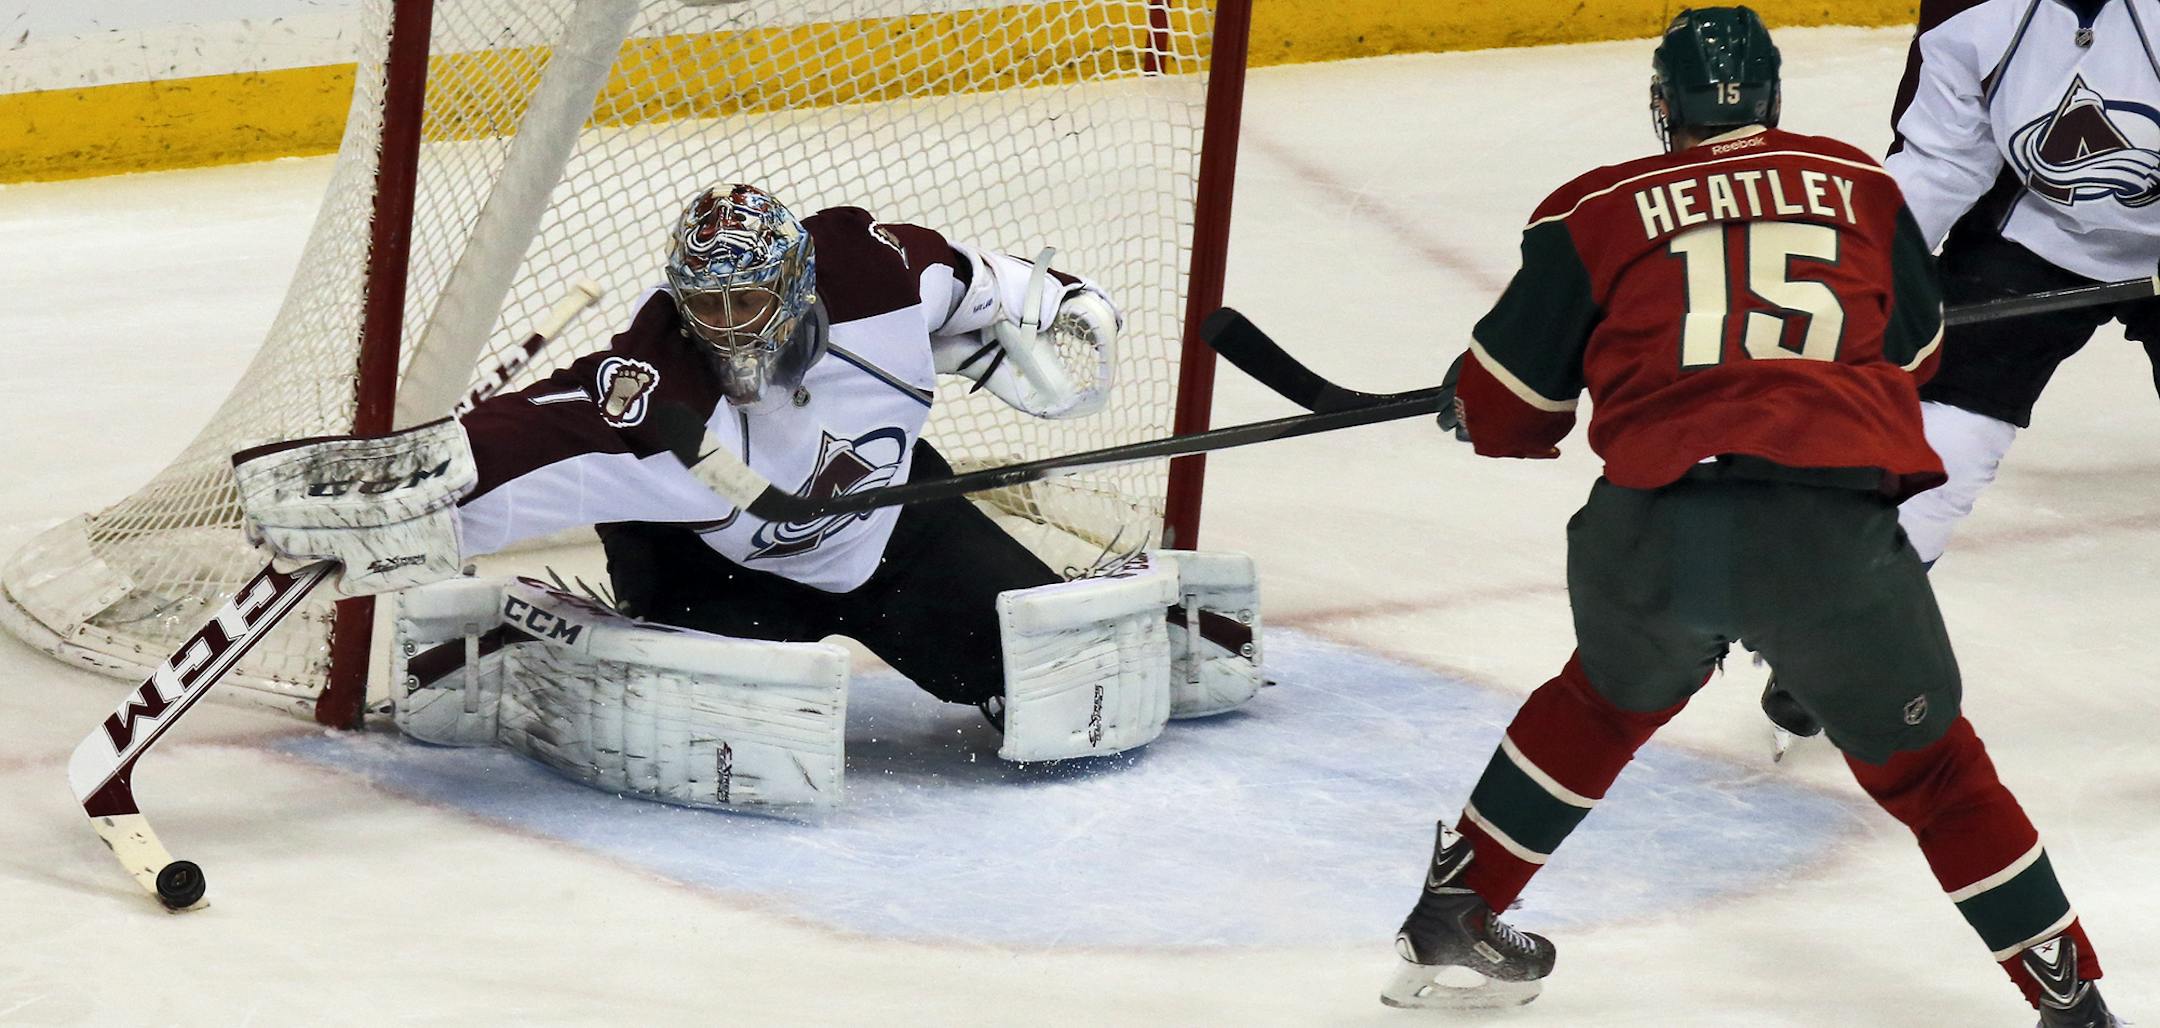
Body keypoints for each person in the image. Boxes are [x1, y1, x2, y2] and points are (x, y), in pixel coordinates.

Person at [1381, 10, 2117, 1026]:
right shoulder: (1862, 188)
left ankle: (1454, 911)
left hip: (1651, 534)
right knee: (1935, 768)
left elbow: (1517, 412)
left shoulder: (1589, 211)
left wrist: (1474, 401)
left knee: (1599, 702)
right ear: (1773, 101)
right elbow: (1912, 359)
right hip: (1827, 541)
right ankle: (2068, 998)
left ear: (1660, 107)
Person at [235, 184, 1263, 805]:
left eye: (749, 300)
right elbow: (491, 456)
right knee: (742, 737)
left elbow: (1006, 288)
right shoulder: (649, 396)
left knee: (1051, 696)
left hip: (894, 530)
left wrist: (1065, 325)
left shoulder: (879, 272)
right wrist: (383, 504)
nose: (727, 327)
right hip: (714, 572)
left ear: (800, 285)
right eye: (705, 305)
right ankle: (536, 647)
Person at [1885, 0, 2160, 566]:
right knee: (1943, 442)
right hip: (2031, 227)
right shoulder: (1966, 10)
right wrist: (1866, 276)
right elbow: (1939, 161)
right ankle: (1860, 612)